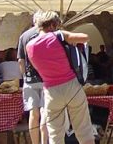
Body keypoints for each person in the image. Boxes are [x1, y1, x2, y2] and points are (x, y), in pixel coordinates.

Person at [26, 10, 94, 144]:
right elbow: (85, 37)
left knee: (55, 135)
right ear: (52, 25)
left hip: (51, 92)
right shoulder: (58, 36)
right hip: (71, 86)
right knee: (83, 129)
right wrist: (64, 35)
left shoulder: (29, 46)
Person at [18, 13, 48, 144]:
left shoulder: (24, 36)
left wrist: (25, 76)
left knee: (33, 114)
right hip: (46, 79)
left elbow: (20, 60)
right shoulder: (47, 35)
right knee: (45, 112)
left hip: (30, 80)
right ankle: (44, 141)